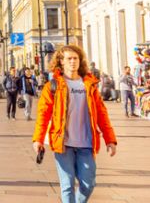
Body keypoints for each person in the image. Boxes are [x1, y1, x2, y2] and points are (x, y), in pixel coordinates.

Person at [33, 45, 117, 203]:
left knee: (88, 184)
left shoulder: (89, 85)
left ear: (80, 61)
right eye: (69, 59)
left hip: (86, 143)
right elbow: (43, 114)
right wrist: (38, 139)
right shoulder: (52, 86)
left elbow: (102, 114)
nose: (72, 62)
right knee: (67, 185)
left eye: (75, 58)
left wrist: (110, 139)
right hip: (63, 143)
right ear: (61, 62)